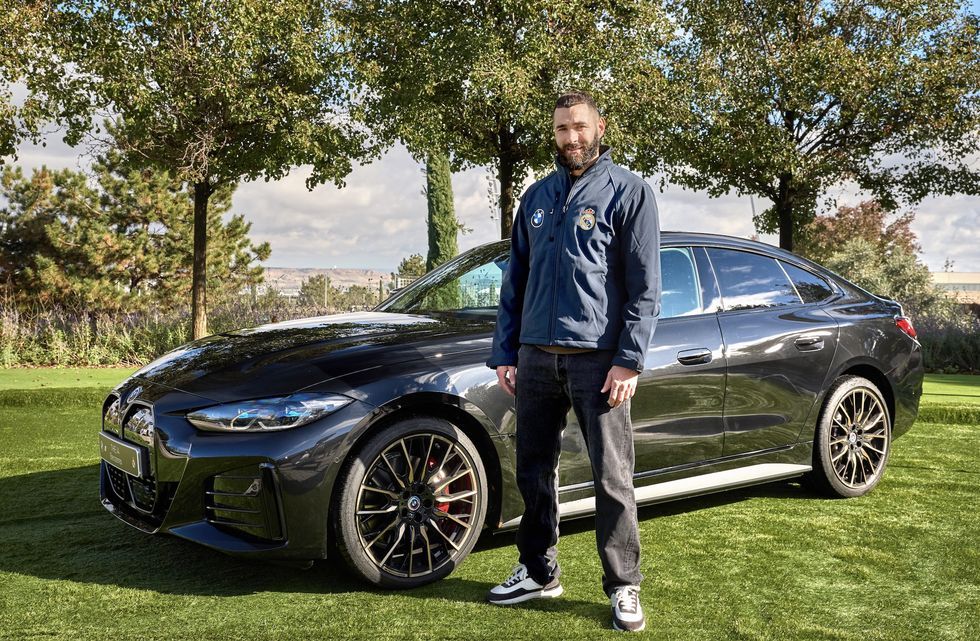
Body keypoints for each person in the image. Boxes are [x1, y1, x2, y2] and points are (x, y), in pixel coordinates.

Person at [485, 91, 661, 633]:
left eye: (579, 127)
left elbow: (645, 288)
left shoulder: (630, 193)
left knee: (612, 478)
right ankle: (539, 572)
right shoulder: (536, 197)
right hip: (536, 360)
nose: (571, 138)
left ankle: (623, 586)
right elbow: (515, 282)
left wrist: (628, 361)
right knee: (534, 471)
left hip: (599, 363)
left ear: (600, 127)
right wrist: (506, 353)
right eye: (562, 129)